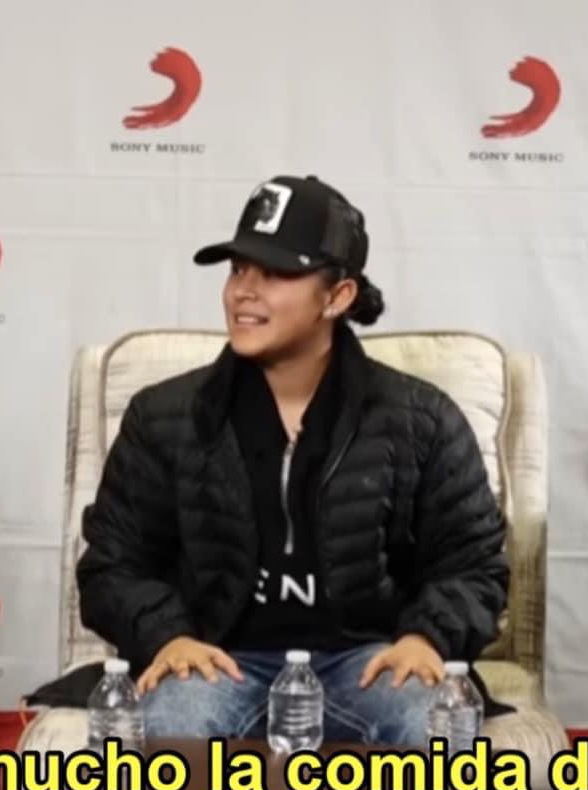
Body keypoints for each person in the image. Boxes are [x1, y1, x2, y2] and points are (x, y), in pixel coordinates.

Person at [76, 176, 510, 747]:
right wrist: (168, 637)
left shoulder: (421, 419)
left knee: (431, 724)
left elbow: (475, 566)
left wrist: (425, 639)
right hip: (217, 661)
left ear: (338, 296)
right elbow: (112, 565)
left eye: (275, 273)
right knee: (171, 725)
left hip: (368, 661)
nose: (243, 292)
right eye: (238, 270)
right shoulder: (163, 416)